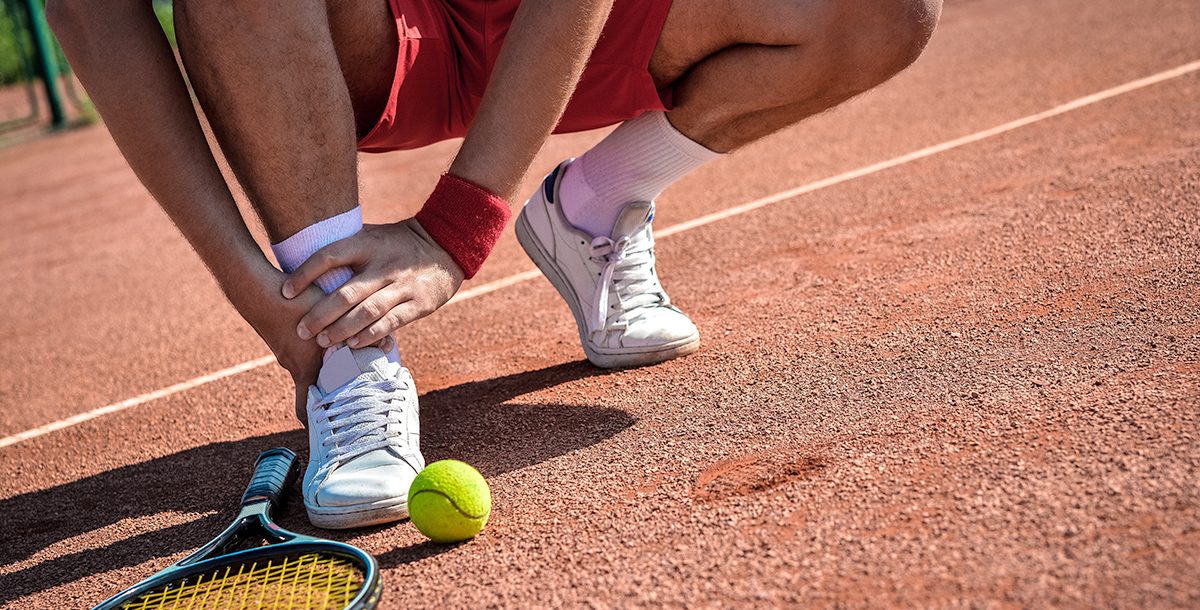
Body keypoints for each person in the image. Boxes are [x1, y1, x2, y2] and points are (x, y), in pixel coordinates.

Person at [47, 0, 940, 529]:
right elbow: (90, 12)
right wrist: (255, 288)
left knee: (882, 6)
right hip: (366, 34)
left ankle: (591, 210)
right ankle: (344, 342)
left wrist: (457, 228)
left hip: (565, 25)